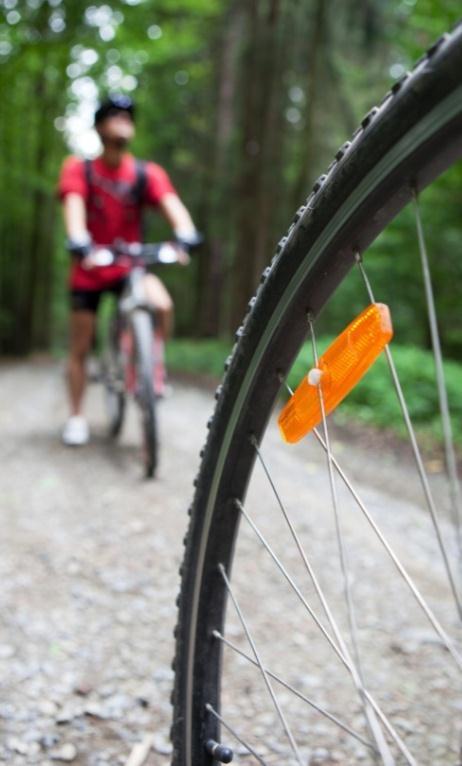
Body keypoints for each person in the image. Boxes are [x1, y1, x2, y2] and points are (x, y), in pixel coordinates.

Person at [58, 94, 199, 446]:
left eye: (128, 116)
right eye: (113, 115)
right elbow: (74, 210)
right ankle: (76, 416)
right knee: (80, 344)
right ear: (99, 126)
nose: (122, 121)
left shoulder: (145, 173)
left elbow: (174, 208)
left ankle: (150, 369)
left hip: (128, 266)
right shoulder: (79, 169)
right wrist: (80, 241)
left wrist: (184, 237)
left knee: (162, 304)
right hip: (90, 266)